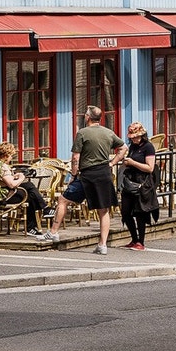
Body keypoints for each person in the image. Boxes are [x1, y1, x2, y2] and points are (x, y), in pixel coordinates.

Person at [44, 105, 124, 254]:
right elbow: (124, 147)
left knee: (63, 200)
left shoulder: (82, 133)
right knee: (103, 210)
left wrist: (73, 175)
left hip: (87, 174)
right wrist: (112, 163)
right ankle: (103, 245)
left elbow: (76, 156)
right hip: (104, 173)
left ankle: (53, 232)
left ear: (87, 117)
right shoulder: (109, 133)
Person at [116, 121, 157, 250]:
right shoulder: (132, 147)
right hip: (129, 182)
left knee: (140, 213)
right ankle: (134, 238)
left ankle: (141, 241)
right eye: (131, 138)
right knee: (125, 212)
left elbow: (150, 168)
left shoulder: (148, 147)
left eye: (136, 137)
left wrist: (133, 163)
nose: (133, 139)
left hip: (142, 183)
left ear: (142, 135)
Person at [0, 142, 46, 238]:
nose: (11, 158)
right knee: (30, 188)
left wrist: (14, 176)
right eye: (11, 156)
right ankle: (43, 210)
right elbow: (11, 185)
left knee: (31, 194)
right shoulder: (1, 166)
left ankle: (33, 224)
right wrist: (21, 177)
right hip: (4, 198)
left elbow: (6, 180)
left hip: (1, 194)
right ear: (6, 156)